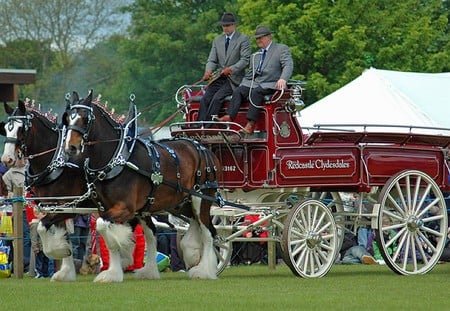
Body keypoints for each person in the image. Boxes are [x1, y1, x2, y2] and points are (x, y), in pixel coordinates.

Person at [217, 25, 294, 135]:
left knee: (256, 92)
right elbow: (249, 76)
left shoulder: (281, 49)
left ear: (269, 37)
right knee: (239, 91)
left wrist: (283, 79)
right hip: (257, 84)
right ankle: (229, 116)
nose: (258, 40)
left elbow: (288, 65)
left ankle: (251, 124)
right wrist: (242, 85)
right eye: (257, 38)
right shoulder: (255, 55)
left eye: (260, 38)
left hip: (273, 84)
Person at [196, 12, 251, 124]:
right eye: (223, 26)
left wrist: (231, 69)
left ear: (234, 25)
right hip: (219, 77)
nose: (225, 28)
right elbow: (212, 59)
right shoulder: (217, 40)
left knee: (217, 98)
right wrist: (208, 70)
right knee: (205, 98)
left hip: (234, 79)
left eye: (228, 25)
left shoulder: (243, 39)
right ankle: (199, 124)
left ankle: (209, 126)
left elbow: (245, 60)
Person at [2, 157, 31, 273]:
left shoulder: (29, 171)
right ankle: (11, 263)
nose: (22, 160)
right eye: (20, 158)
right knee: (10, 239)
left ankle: (26, 264)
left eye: (24, 158)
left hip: (29, 209)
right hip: (13, 212)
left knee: (27, 238)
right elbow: (5, 193)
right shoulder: (8, 175)